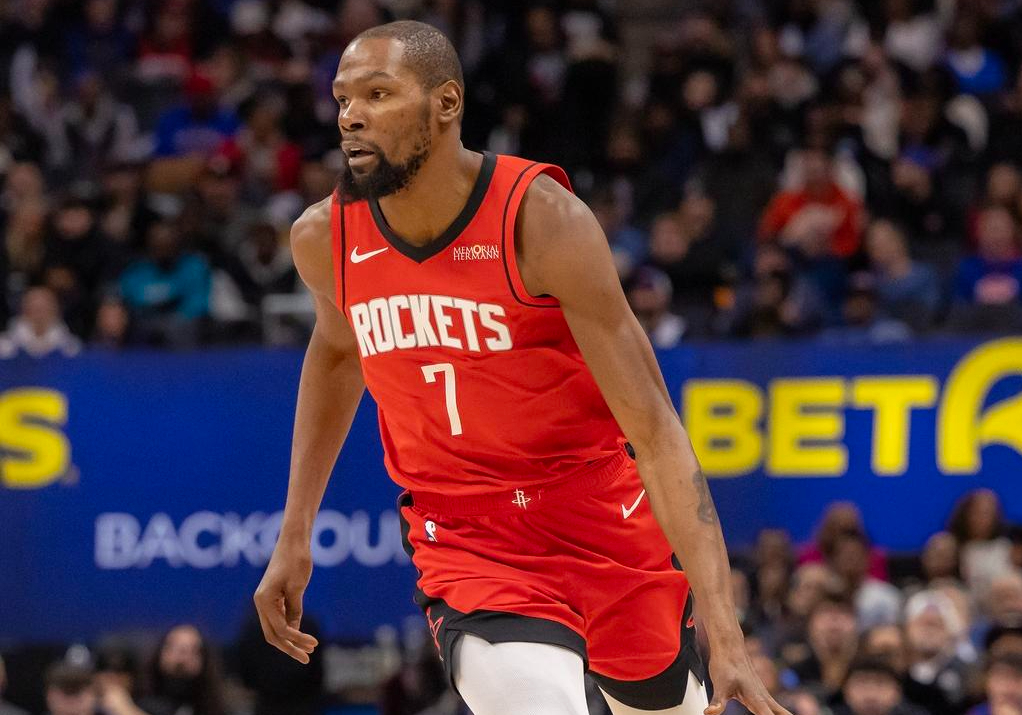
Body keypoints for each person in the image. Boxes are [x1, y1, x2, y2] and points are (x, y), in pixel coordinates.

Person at [254, 20, 785, 715]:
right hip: (467, 539)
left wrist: (727, 633)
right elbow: (336, 351)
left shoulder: (542, 219)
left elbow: (656, 431)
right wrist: (294, 534)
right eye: (343, 98)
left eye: (377, 94)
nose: (351, 115)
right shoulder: (324, 237)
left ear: (446, 103)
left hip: (601, 519)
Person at [137, 625, 226, 715]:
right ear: (159, 654)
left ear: (204, 660)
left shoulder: (215, 708)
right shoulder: (138, 699)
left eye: (193, 650)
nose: (182, 657)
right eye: (173, 647)